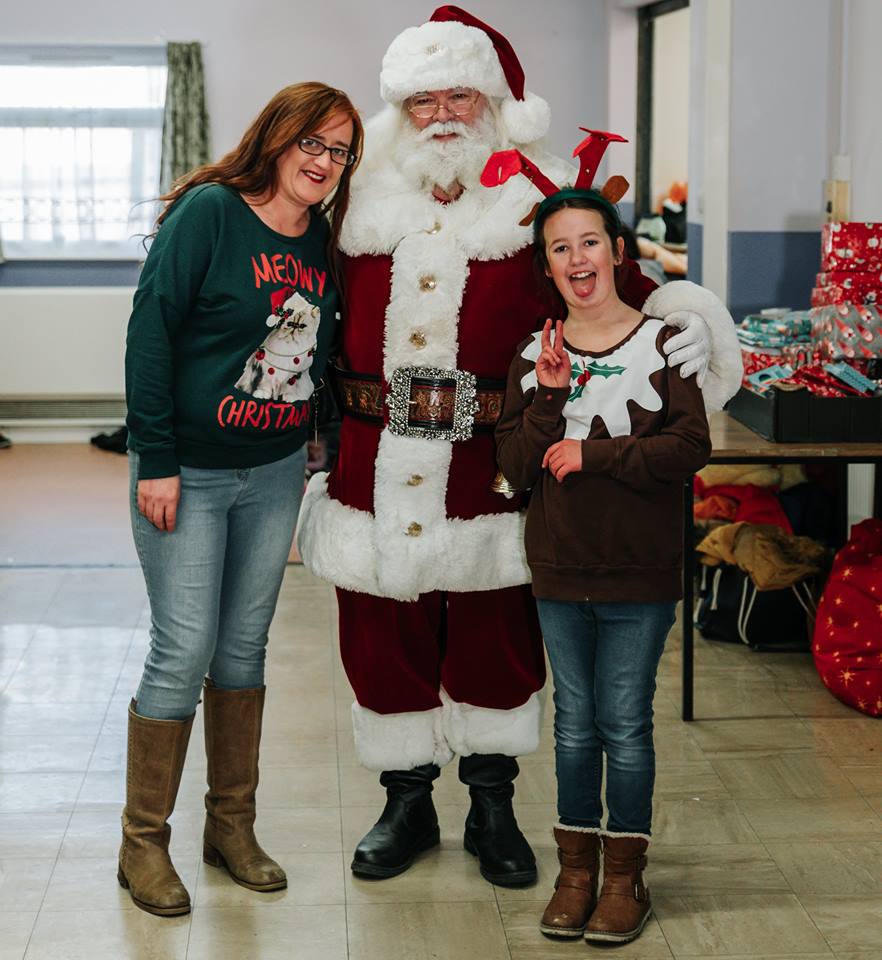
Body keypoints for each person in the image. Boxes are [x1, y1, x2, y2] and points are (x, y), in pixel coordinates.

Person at [296, 5, 741, 887]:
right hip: (371, 457)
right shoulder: (353, 204)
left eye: (462, 93)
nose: (443, 114)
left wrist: (684, 320)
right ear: (399, 111)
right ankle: (406, 799)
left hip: (495, 463)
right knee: (383, 631)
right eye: (424, 100)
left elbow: (614, 283)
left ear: (495, 102)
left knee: (497, 634)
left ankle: (492, 804)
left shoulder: (537, 200)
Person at [120, 82, 362, 917]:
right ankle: (142, 842)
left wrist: (316, 453)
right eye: (314, 144)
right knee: (183, 649)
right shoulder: (211, 215)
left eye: (340, 152)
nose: (325, 163)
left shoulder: (323, 240)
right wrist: (154, 457)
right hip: (186, 468)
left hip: (273, 470)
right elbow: (150, 329)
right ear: (278, 137)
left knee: (244, 649)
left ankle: (232, 828)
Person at [493, 164, 711, 942]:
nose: (578, 259)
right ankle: (575, 873)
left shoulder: (664, 342)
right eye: (561, 248)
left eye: (591, 241)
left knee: (625, 721)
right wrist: (550, 399)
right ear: (547, 265)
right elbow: (515, 466)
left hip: (638, 572)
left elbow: (691, 445)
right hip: (558, 570)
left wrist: (596, 456)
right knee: (574, 725)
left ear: (618, 250)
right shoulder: (533, 351)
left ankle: (625, 879)